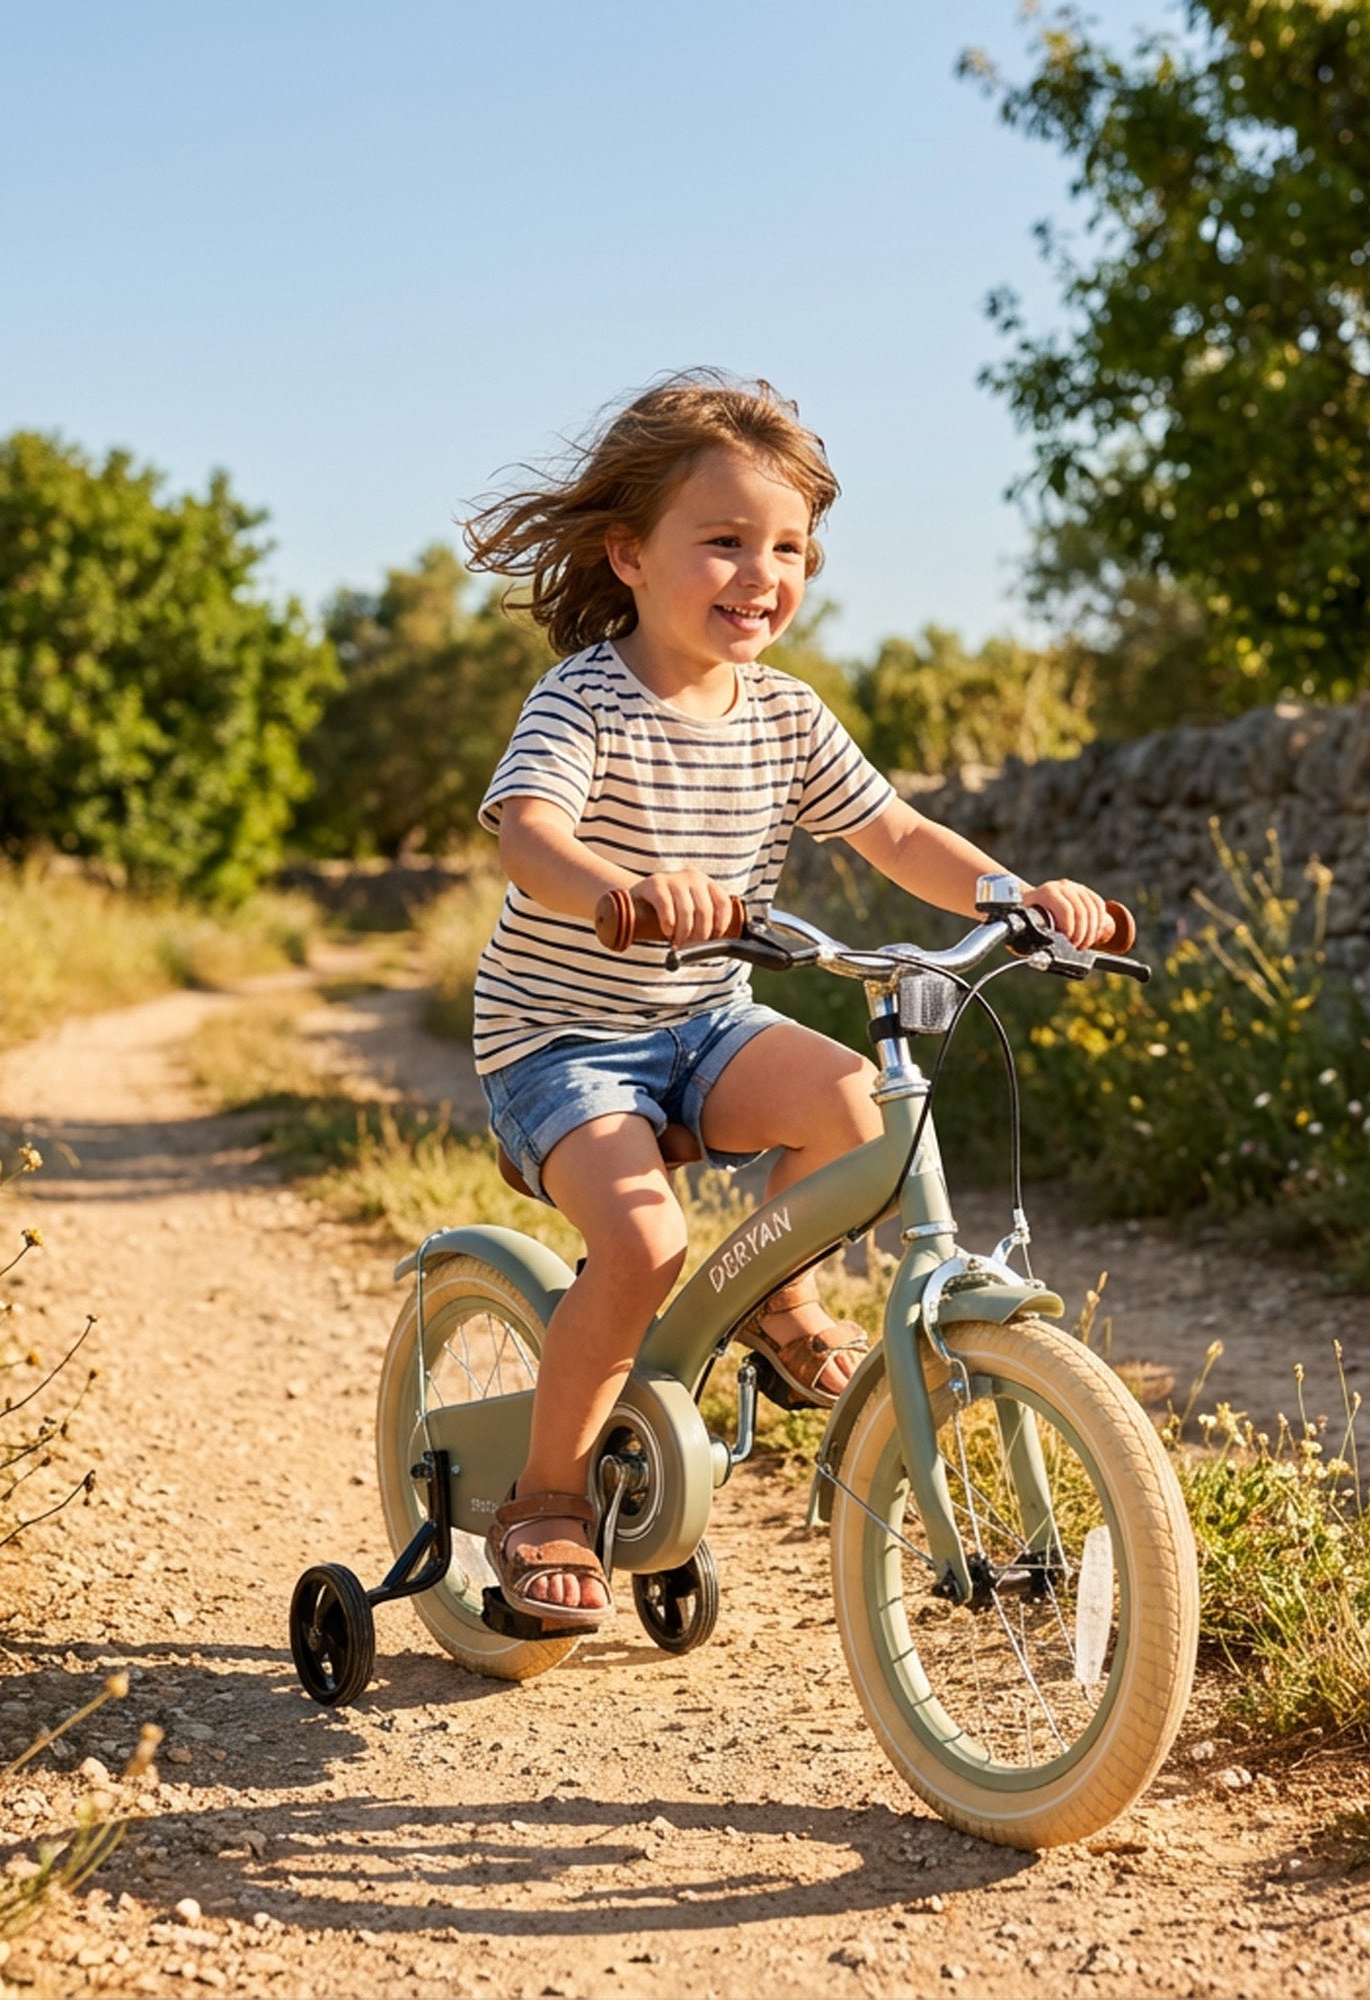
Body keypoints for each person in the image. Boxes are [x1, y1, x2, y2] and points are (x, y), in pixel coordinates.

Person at [461, 370, 1119, 1630]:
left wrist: (1015, 892)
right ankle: (543, 1496)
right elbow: (526, 831)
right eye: (721, 541)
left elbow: (897, 832)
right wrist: (616, 887)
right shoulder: (586, 697)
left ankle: (775, 1293)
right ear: (627, 554)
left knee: (849, 1100)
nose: (759, 573)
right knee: (645, 1246)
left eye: (787, 548)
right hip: (562, 1040)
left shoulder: (786, 714)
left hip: (701, 1018)